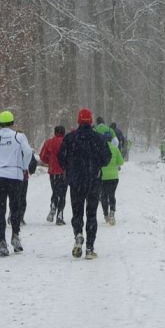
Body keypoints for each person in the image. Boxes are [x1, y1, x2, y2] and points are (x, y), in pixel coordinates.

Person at [58, 108, 111, 260]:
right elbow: (107, 157)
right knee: (92, 213)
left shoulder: (70, 138)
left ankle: (78, 235)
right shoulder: (98, 138)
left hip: (76, 181)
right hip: (93, 180)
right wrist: (97, 165)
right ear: (91, 121)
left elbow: (61, 157)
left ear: (78, 121)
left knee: (77, 212)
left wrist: (69, 168)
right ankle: (89, 248)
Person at [0, 111, 33, 257]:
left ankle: (2, 242)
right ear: (12, 122)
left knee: (0, 210)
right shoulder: (18, 136)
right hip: (15, 177)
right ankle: (15, 236)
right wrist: (23, 166)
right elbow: (28, 152)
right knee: (15, 208)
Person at [39, 125, 67, 225]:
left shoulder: (49, 142)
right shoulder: (66, 142)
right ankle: (60, 215)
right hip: (64, 171)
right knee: (62, 193)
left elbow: (42, 156)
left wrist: (49, 161)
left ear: (55, 132)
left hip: (53, 171)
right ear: (64, 132)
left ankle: (53, 206)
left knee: (55, 190)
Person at [97, 127, 124, 225]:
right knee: (111, 195)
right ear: (111, 139)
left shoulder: (100, 149)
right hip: (114, 177)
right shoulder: (115, 149)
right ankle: (112, 212)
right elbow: (121, 162)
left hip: (103, 177)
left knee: (103, 196)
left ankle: (105, 215)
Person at [7, 152, 37, 226]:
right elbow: (33, 160)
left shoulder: (10, 145)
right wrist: (31, 170)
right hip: (23, 176)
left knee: (13, 196)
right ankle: (20, 217)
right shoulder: (24, 146)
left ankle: (12, 212)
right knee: (22, 197)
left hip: (11, 175)